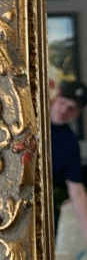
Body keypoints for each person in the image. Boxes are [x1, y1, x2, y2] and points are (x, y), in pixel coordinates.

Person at [51, 80, 87, 240]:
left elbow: (76, 190)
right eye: (63, 103)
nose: (64, 110)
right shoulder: (30, 118)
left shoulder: (70, 142)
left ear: (77, 113)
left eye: (71, 108)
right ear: (56, 97)